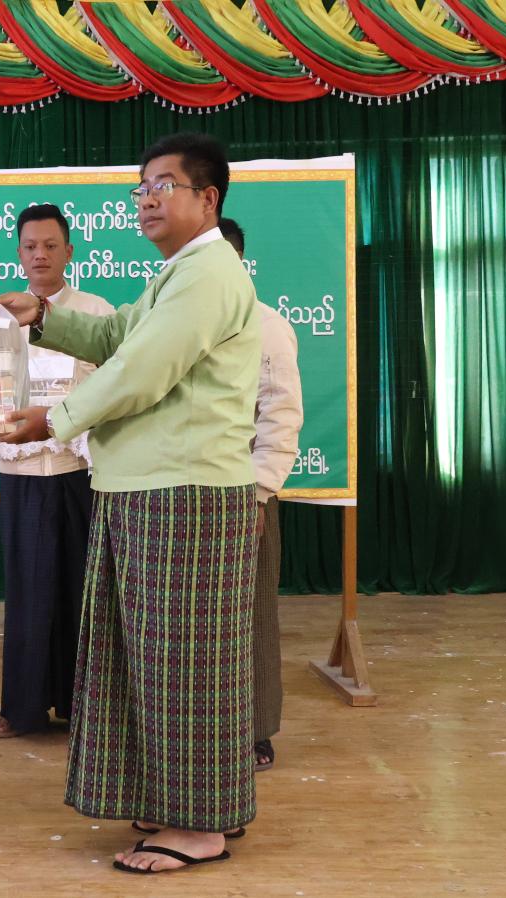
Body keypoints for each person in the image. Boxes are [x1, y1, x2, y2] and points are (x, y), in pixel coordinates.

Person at [0, 133, 262, 874]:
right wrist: (40, 316)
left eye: (164, 185)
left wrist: (54, 419)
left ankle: (200, 826)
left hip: (183, 491)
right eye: (141, 186)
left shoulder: (207, 274)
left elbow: (140, 368)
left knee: (184, 663)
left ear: (208, 198)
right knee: (155, 660)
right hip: (148, 487)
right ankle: (184, 802)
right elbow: (116, 335)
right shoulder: (177, 272)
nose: (146, 198)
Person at [0, 204, 114, 740]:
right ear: (19, 254)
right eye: (31, 246)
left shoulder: (96, 311)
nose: (40, 255)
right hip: (22, 472)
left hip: (81, 469)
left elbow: (111, 387)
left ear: (69, 252)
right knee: (28, 590)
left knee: (83, 588)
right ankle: (24, 707)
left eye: (51, 246)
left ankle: (84, 705)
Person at [219, 216, 304, 772]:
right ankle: (204, 729)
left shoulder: (268, 326)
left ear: (237, 262)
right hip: (188, 486)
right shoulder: (173, 319)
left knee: (250, 614)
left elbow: (280, 415)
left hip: (246, 490)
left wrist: (259, 491)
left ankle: (254, 731)